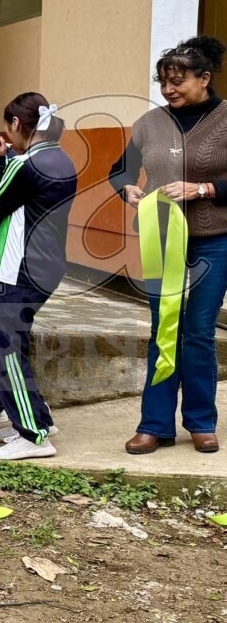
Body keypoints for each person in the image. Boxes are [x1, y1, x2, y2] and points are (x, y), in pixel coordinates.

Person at [110, 35, 227, 455]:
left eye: (177, 81)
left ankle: (200, 422)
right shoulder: (150, 123)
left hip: (214, 242)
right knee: (164, 330)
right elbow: (120, 171)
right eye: (163, 82)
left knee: (195, 331)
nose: (169, 89)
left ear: (205, 78)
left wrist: (205, 188)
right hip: (161, 240)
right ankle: (154, 424)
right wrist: (127, 190)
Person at [0, 92, 75, 460]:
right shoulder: (60, 158)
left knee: (2, 346)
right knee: (12, 343)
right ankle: (39, 419)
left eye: (9, 126)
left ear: (17, 125)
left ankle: (33, 435)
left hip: (23, 267)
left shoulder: (26, 164)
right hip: (48, 263)